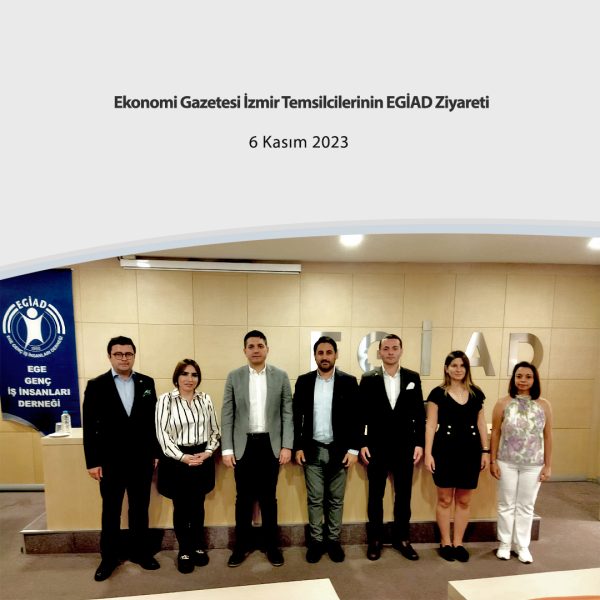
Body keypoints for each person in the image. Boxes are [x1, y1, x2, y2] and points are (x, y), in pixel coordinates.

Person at [82, 336, 160, 581]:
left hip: (141, 459)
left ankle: (141, 552)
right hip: (110, 462)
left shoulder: (147, 382)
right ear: (110, 356)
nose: (124, 358)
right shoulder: (96, 385)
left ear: (134, 355)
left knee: (140, 508)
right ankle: (108, 558)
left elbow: (153, 422)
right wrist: (92, 462)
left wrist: (155, 453)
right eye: (118, 354)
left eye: (128, 354)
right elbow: (89, 427)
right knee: (111, 510)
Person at [221, 330, 293, 567]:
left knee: (268, 499)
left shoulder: (281, 376)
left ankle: (272, 546)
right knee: (243, 498)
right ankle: (241, 546)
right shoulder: (234, 376)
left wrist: (287, 445)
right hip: (243, 446)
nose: (255, 350)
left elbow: (287, 413)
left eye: (260, 346)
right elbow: (227, 414)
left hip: (270, 446)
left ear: (267, 349)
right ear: (245, 351)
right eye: (251, 346)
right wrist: (227, 449)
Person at [293, 336, 361, 563]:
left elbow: (356, 418)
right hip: (312, 450)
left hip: (339, 452)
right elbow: (296, 417)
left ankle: (333, 541)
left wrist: (353, 449)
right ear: (315, 356)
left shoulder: (349, 382)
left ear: (336, 355)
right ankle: (316, 542)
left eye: (329, 352)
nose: (324, 356)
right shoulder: (304, 381)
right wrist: (298, 447)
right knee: (314, 499)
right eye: (320, 352)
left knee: (335, 500)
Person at [359, 334, 426, 561]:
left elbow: (419, 414)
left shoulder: (412, 377)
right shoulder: (368, 378)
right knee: (375, 496)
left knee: (403, 495)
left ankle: (402, 538)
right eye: (386, 348)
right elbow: (361, 415)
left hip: (405, 447)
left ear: (401, 351)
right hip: (376, 447)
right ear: (379, 352)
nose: (390, 352)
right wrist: (362, 443)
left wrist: (419, 443)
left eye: (394, 348)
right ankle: (375, 540)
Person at [155, 359, 221, 574]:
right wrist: (183, 457)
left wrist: (208, 452)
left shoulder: (205, 399)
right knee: (181, 507)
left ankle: (198, 545)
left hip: (202, 457)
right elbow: (163, 436)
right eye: (184, 374)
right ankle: (184, 550)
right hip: (177, 460)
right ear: (177, 377)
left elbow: (215, 431)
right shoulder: (165, 400)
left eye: (194, 374)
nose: (189, 379)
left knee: (198, 505)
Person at [424, 350, 489, 563]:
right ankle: (445, 542)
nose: (458, 369)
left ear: (467, 368)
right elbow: (431, 425)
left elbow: (481, 424)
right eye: (454, 365)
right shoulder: (437, 394)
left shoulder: (476, 393)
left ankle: (458, 542)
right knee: (444, 499)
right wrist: (428, 453)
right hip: (444, 450)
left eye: (462, 365)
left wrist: (485, 451)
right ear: (446, 368)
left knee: (464, 499)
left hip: (470, 451)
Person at [490, 361, 553, 564]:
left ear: (534, 380)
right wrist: (492, 460)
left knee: (526, 505)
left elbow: (548, 436)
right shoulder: (503, 403)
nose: (523, 380)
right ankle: (505, 544)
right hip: (506, 461)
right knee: (506, 504)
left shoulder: (544, 405)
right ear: (513, 378)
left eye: (528, 377)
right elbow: (496, 432)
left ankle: (522, 546)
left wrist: (548, 465)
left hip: (533, 464)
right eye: (519, 376)